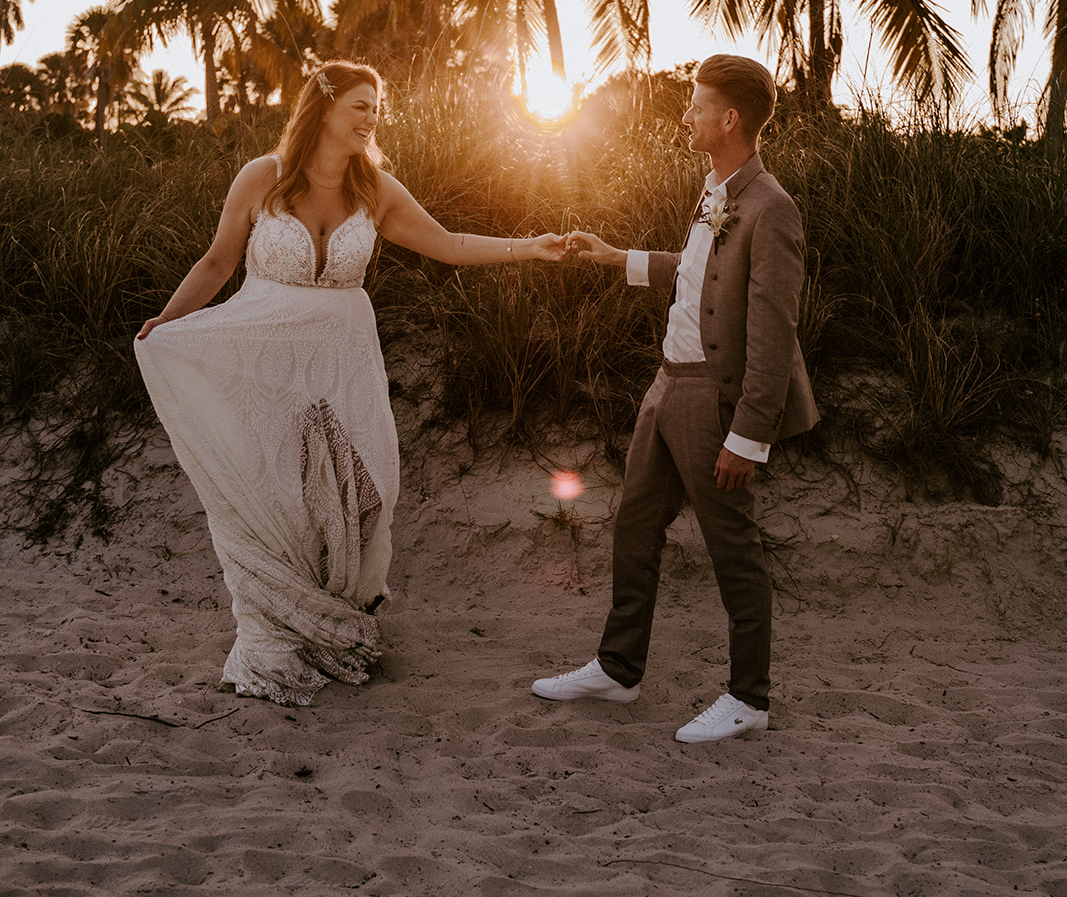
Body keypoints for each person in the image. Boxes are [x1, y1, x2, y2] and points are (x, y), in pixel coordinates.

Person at [136, 61, 567, 707]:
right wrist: (167, 322)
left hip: (342, 358)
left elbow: (447, 244)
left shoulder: (376, 189)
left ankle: (333, 610)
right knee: (279, 492)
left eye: (376, 108)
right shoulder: (263, 177)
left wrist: (529, 246)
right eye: (361, 106)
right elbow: (217, 260)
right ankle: (283, 625)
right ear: (325, 107)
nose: (371, 118)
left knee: (368, 485)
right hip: (264, 357)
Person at [532, 54, 818, 742]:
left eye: (695, 105)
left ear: (729, 119)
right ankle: (618, 669)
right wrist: (613, 257)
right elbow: (696, 273)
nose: (683, 114)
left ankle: (747, 698)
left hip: (710, 400)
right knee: (633, 528)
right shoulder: (713, 189)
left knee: (733, 548)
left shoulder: (769, 208)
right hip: (666, 385)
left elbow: (774, 331)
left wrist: (746, 437)